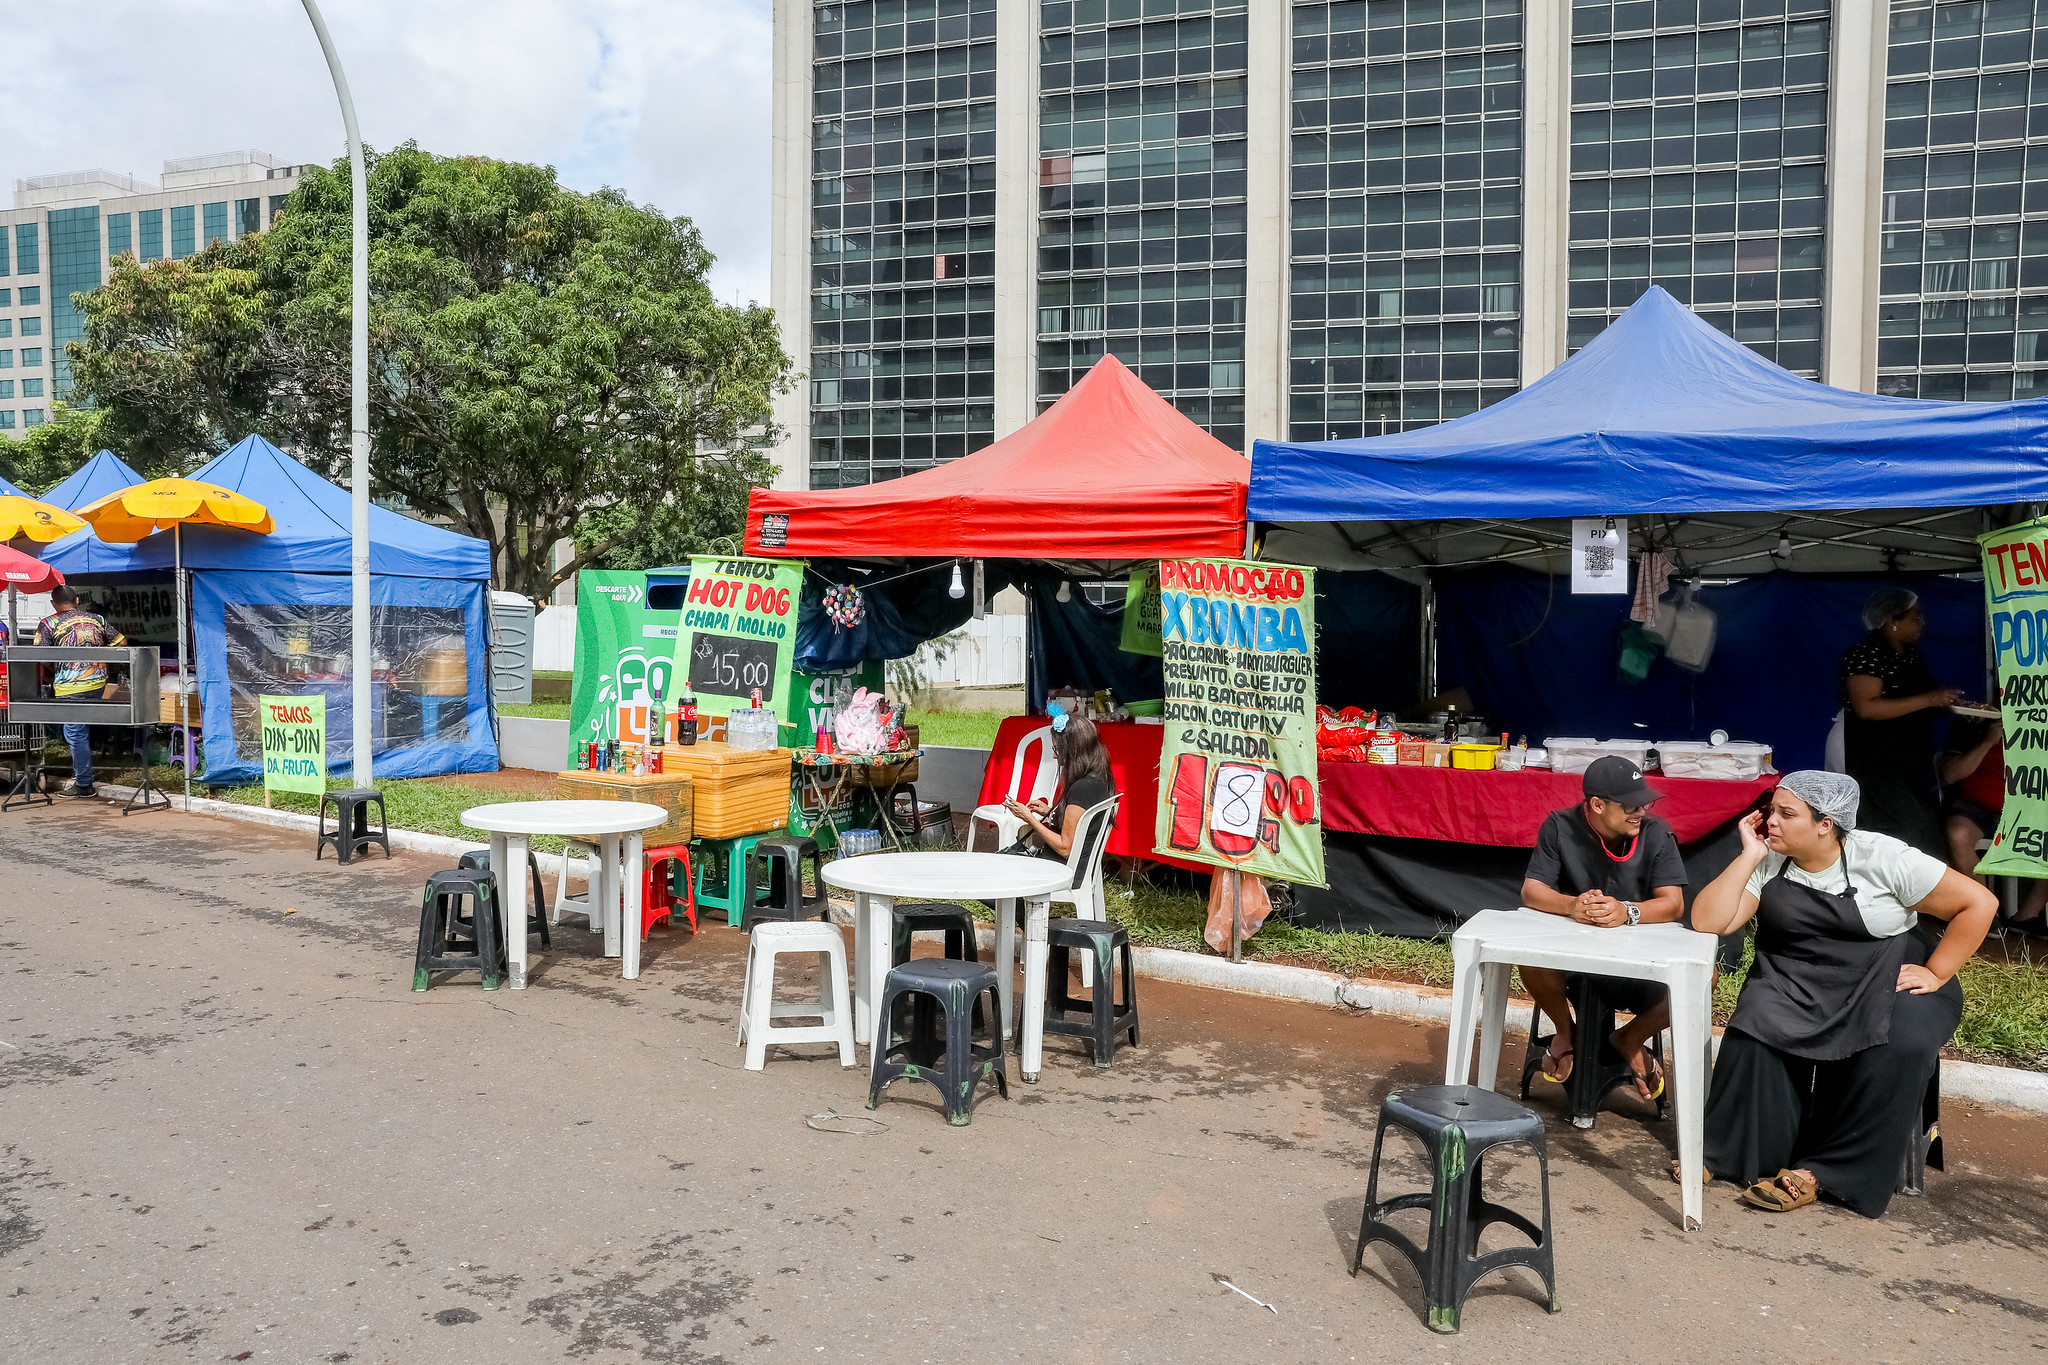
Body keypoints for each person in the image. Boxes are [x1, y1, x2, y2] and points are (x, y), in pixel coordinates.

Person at [1691, 771, 1994, 1218]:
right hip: (1796, 973)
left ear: (1825, 824)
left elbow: (1979, 903)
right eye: (1771, 809)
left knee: (1900, 1043)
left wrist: (1936, 971)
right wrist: (1749, 855)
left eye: (1785, 813)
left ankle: (1824, 1172)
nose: (1769, 821)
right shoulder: (1771, 857)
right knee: (1757, 1019)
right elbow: (1709, 922)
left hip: (1888, 973)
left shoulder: (1885, 857)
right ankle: (1736, 1154)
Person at [1519, 755, 1688, 1100]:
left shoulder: (1656, 833)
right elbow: (1531, 890)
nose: (1641, 811)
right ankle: (1566, 1033)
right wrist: (1572, 905)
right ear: (1596, 804)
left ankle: (1631, 1037)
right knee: (1527, 954)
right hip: (1573, 960)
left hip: (1638, 962)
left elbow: (1673, 904)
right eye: (1630, 804)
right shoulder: (1559, 826)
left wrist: (1628, 912)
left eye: (1645, 802)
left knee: (1706, 980)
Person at [1839, 588, 1960, 857]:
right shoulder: (1865, 655)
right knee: (1895, 829)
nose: (1923, 623)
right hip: (1876, 760)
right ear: (1893, 620)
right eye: (1916, 617)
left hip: (1910, 759)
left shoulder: (1911, 655)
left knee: (1922, 826)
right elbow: (1866, 708)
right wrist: (1929, 700)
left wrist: (1952, 706)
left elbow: (1925, 700)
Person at [1939, 713, 2048, 934]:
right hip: (1972, 808)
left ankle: (2027, 915)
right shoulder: (1973, 720)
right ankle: (1986, 911)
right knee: (1958, 834)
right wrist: (1989, 741)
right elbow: (1950, 775)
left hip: (2022, 813)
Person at [34, 585, 127, 798]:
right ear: (77, 600)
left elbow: (42, 657)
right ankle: (87, 770)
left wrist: (54, 669)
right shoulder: (97, 619)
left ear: (53, 603)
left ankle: (84, 784)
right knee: (84, 729)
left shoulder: (48, 624)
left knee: (76, 733)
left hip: (70, 686)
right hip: (97, 683)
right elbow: (121, 641)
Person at [1004, 707, 1117, 860]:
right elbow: (1079, 823)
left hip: (1059, 871)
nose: (1054, 755)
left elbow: (1065, 848)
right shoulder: (1099, 780)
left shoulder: (1081, 789)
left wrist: (1029, 819)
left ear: (1073, 750)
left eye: (1057, 749)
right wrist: (1049, 812)